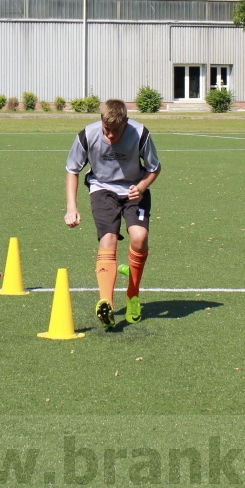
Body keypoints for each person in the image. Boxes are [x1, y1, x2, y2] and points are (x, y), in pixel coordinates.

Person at [64, 99, 161, 330]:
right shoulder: (87, 135)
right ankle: (105, 302)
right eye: (106, 130)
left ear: (125, 123)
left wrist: (143, 186)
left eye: (115, 131)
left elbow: (154, 168)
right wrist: (71, 207)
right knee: (108, 239)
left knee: (139, 238)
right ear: (101, 121)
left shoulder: (140, 133)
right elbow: (72, 170)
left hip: (134, 190)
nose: (110, 136)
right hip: (102, 189)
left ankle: (133, 296)